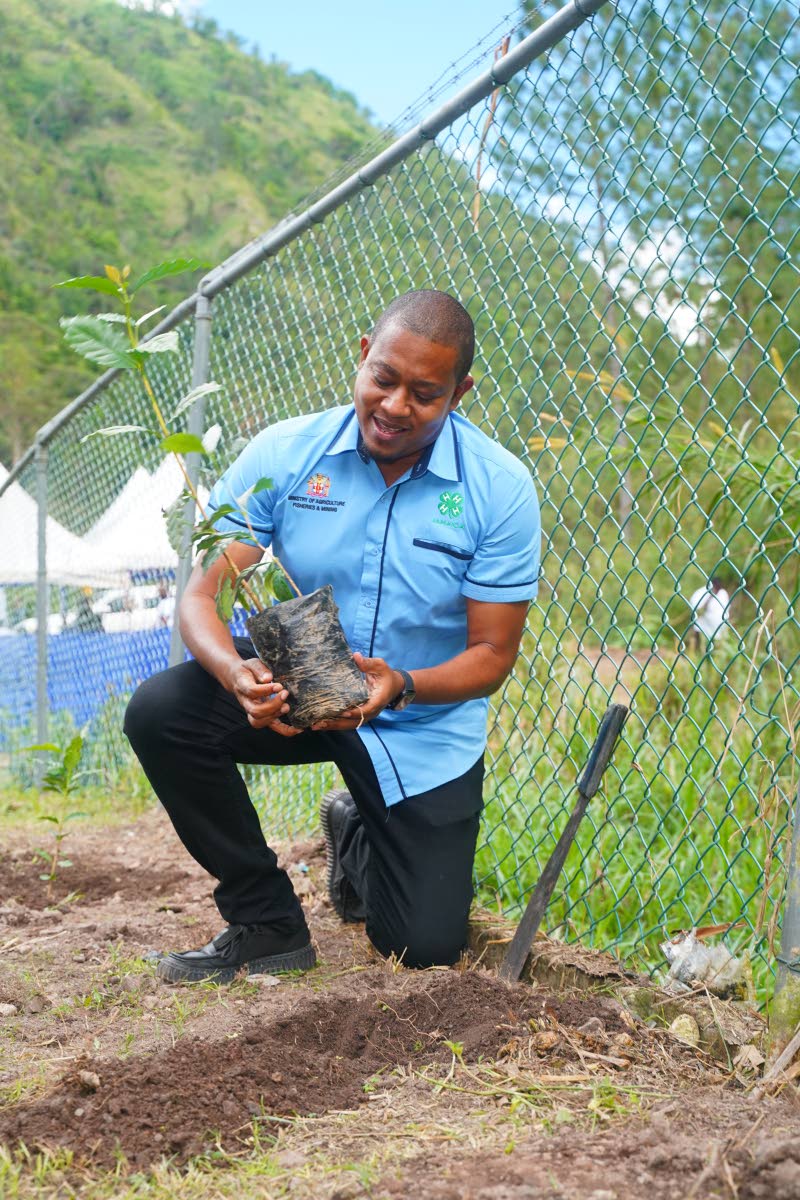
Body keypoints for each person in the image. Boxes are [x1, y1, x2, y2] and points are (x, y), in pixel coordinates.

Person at [124, 290, 540, 984]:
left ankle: (357, 826)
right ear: (362, 356)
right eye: (384, 378)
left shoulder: (499, 490)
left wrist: (400, 685)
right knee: (163, 712)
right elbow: (199, 597)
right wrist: (235, 674)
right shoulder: (286, 454)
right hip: (301, 688)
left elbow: (493, 656)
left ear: (461, 393)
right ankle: (264, 923)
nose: (395, 406)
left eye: (426, 393)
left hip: (421, 726)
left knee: (421, 949)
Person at [687, 578, 730, 651]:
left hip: (716, 624)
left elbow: (725, 609)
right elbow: (696, 606)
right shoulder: (703, 592)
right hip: (703, 623)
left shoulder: (723, 594)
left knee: (713, 643)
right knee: (700, 639)